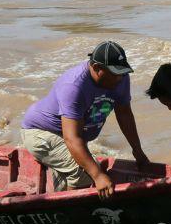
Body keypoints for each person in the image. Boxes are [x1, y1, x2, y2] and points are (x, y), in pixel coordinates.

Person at [20, 41, 150, 197]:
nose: (119, 78)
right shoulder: (74, 86)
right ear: (97, 68)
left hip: (72, 135)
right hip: (42, 132)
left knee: (80, 172)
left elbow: (124, 114)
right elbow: (71, 138)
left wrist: (137, 151)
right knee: (85, 172)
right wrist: (98, 175)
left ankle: (62, 200)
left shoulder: (121, 78)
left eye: (122, 72)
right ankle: (70, 209)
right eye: (115, 73)